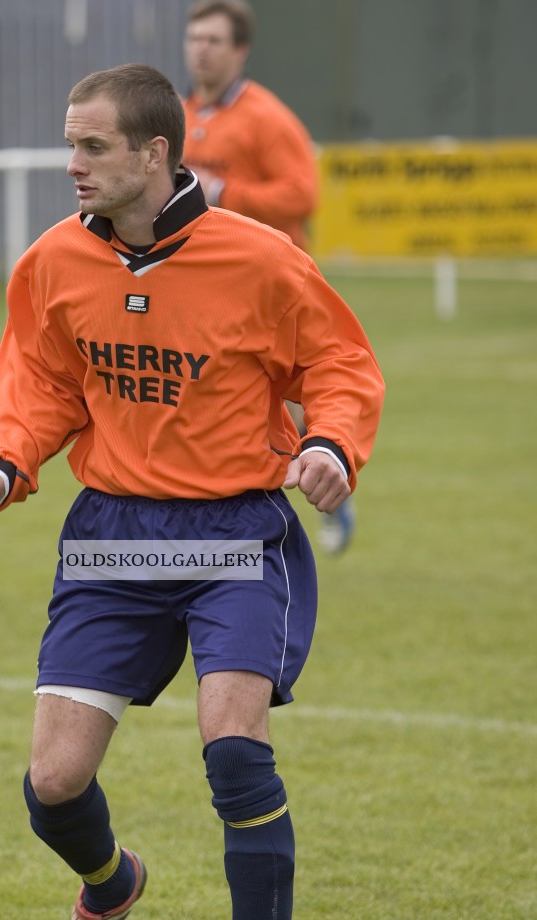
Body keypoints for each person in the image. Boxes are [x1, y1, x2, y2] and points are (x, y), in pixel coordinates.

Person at [0, 63, 384, 920]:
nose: (73, 164)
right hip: (113, 537)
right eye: (71, 143)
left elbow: (342, 367)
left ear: (155, 154)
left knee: (235, 748)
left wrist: (331, 443)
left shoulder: (260, 261)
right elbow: (37, 383)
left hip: (232, 532)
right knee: (53, 785)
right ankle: (108, 885)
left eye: (93, 147)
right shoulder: (52, 262)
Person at [182, 0, 356, 554]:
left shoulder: (267, 117)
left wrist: (224, 192)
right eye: (194, 39)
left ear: (240, 50)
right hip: (203, 291)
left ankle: (331, 488)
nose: (200, 50)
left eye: (213, 40)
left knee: (300, 402)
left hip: (271, 292)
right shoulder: (179, 116)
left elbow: (301, 196)